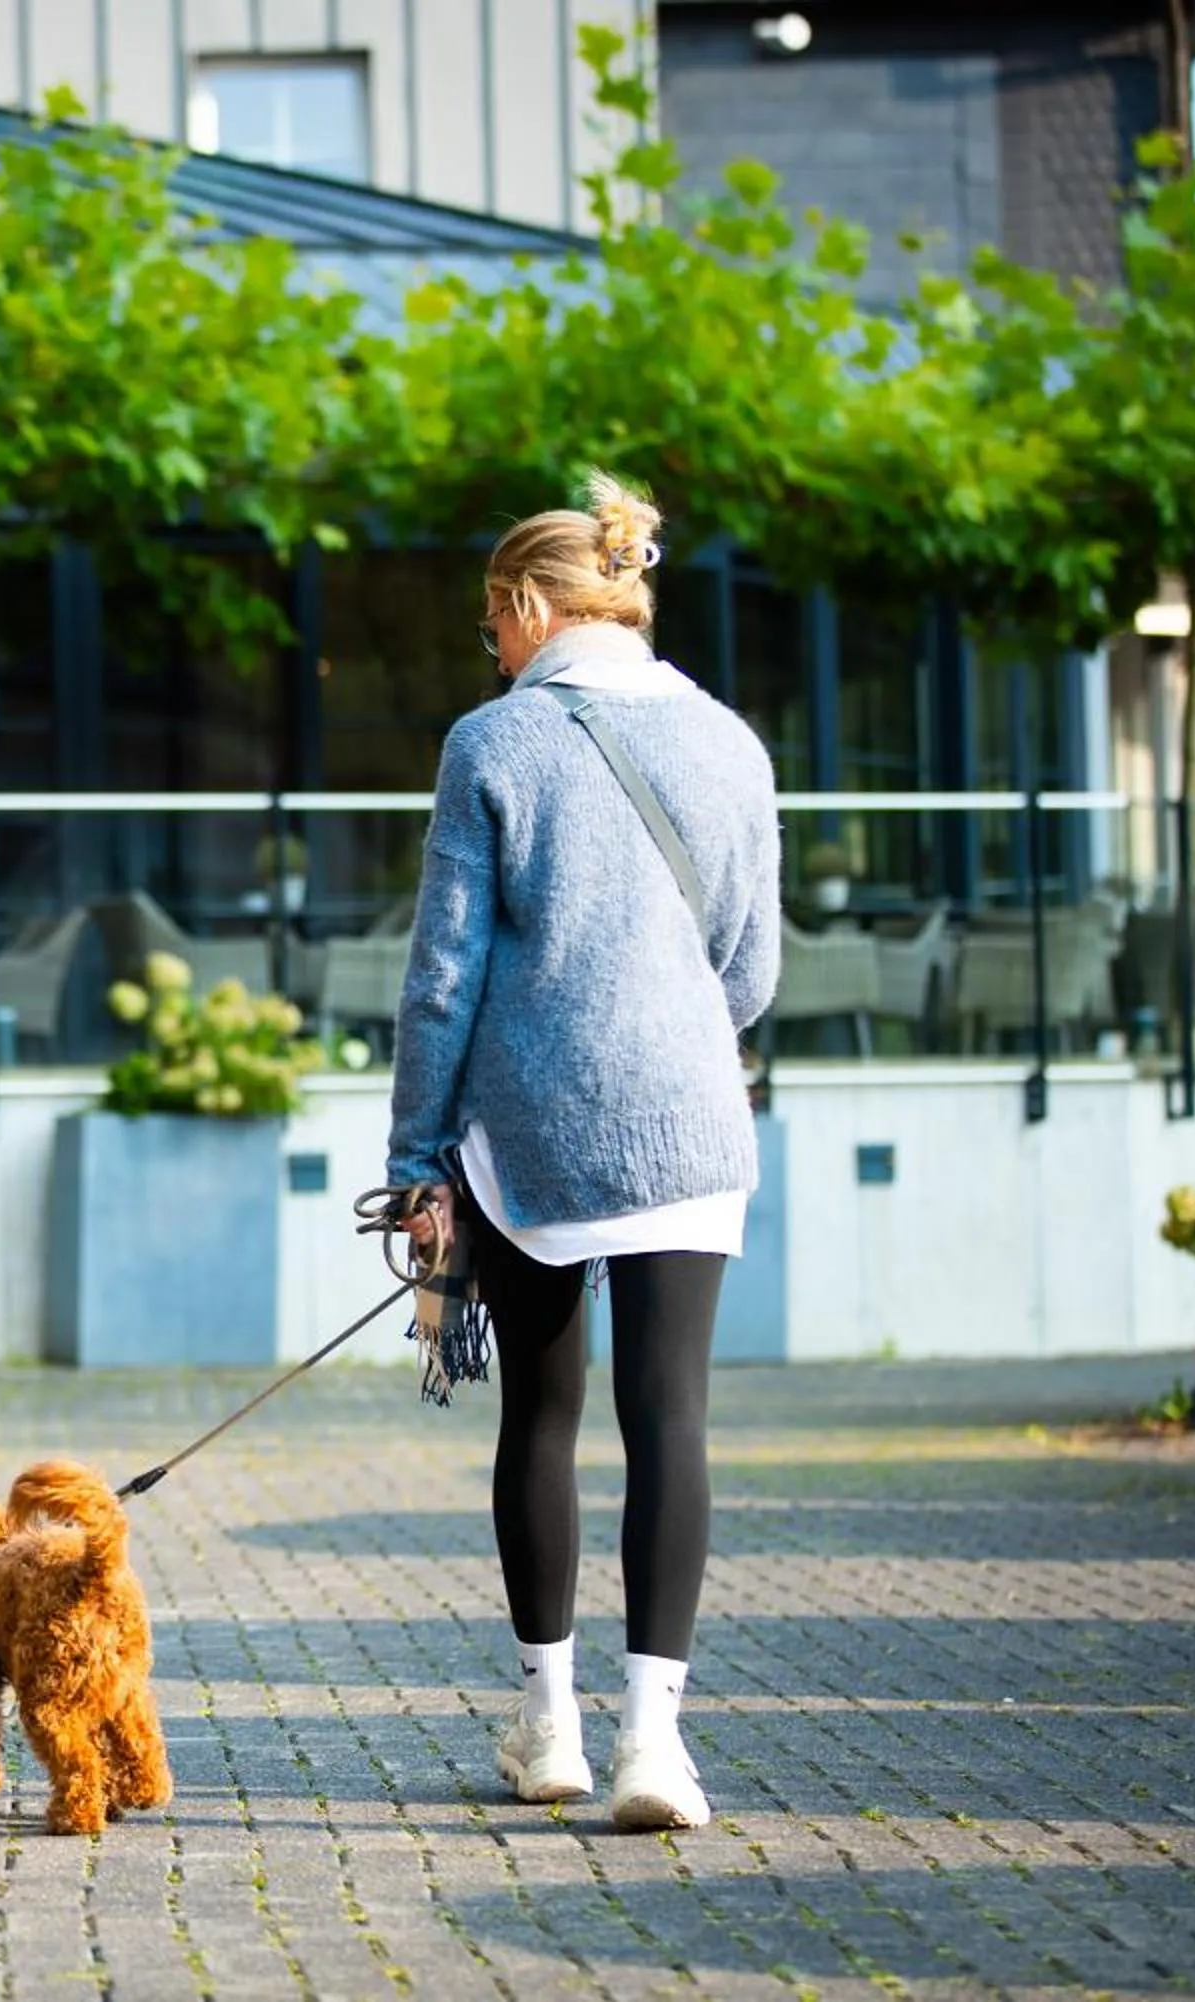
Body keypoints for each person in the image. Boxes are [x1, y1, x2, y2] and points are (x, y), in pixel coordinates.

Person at [384, 472, 780, 1832]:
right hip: (690, 1125)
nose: (490, 649)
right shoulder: (732, 742)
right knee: (671, 1418)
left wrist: (419, 1151)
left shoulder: (491, 745)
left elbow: (444, 977)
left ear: (532, 606)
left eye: (491, 623)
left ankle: (548, 1723)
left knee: (540, 1415)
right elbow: (752, 971)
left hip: (530, 1137)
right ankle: (654, 1744)